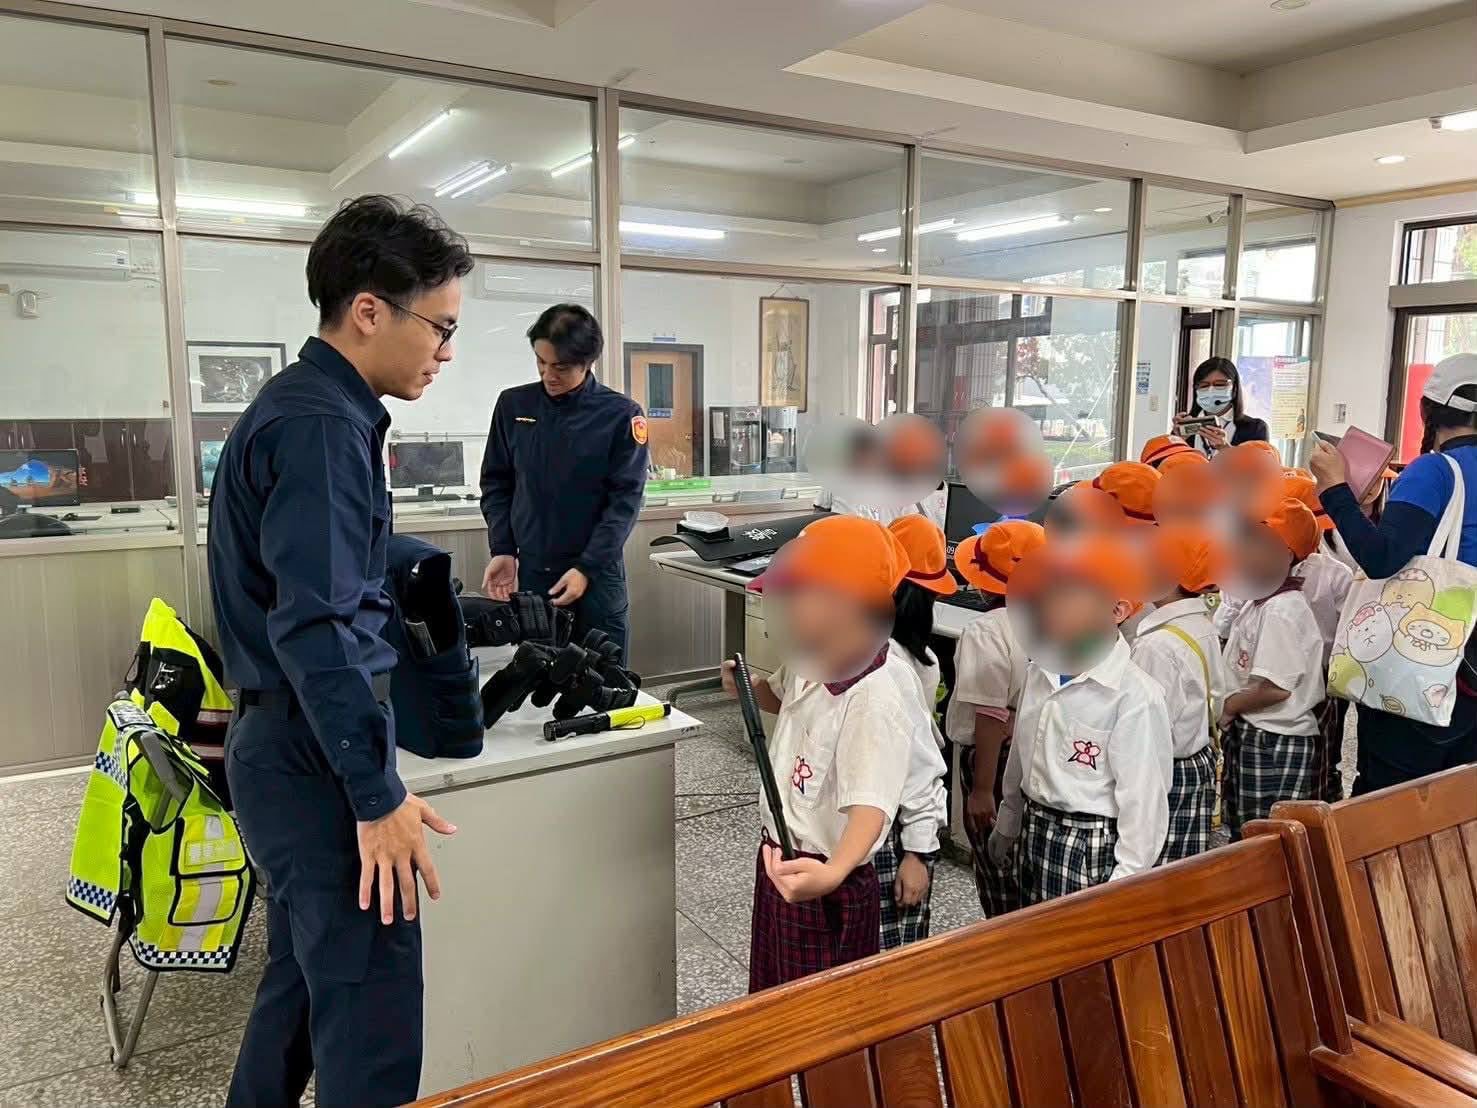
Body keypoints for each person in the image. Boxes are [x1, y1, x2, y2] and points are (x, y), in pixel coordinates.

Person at [209, 195, 471, 1107]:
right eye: (440, 327)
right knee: (369, 1019)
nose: (445, 351)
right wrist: (375, 792)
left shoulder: (316, 410)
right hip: (309, 754)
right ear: (368, 310)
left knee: (301, 988)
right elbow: (316, 625)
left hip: (287, 743)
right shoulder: (320, 426)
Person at [723, 515, 925, 991]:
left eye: (800, 596)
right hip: (782, 859)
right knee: (773, 991)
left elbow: (870, 806)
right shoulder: (811, 659)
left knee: (822, 1005)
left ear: (847, 605)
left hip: (825, 877)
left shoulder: (873, 697)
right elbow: (781, 700)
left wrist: (833, 873)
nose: (788, 610)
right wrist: (750, 689)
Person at [1311, 352, 1477, 793]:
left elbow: (1384, 559)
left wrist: (1335, 490)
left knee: (1389, 797)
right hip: (1472, 672)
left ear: (1427, 410)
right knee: (1460, 800)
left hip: (1427, 666)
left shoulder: (1436, 471)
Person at [987, 535, 1173, 904]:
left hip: (1089, 846)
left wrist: (1124, 887)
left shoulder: (1135, 697)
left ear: (1117, 611)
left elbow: (1144, 807)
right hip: (1034, 829)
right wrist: (1008, 820)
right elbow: (1021, 754)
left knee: (1079, 940)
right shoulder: (1040, 669)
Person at [479, 304, 647, 660]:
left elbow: (625, 502)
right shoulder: (514, 405)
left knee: (606, 677)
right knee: (539, 672)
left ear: (588, 363)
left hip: (597, 575)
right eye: (541, 362)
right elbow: (497, 483)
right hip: (535, 571)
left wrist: (587, 568)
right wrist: (503, 549)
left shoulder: (620, 415)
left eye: (561, 367)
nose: (548, 375)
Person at [946, 520, 1046, 915]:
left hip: (994, 758)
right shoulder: (1051, 616)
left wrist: (982, 789)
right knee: (1024, 857)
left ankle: (1003, 931)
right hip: (1035, 749)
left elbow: (989, 713)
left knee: (995, 863)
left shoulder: (987, 630)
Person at [1219, 497, 1325, 836]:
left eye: (1259, 543)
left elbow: (1275, 688)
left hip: (1274, 739)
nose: (1245, 551)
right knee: (1245, 824)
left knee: (1266, 836)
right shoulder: (1260, 602)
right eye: (1245, 539)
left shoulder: (1281, 610)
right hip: (1257, 731)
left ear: (1287, 555)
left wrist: (1229, 706)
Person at [874, 515, 951, 949]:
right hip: (888, 821)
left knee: (892, 952)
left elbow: (919, 764)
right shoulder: (916, 658)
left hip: (899, 826)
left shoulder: (893, 665)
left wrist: (918, 852)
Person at [1131, 524, 1228, 862]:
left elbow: (1145, 729)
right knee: (1182, 867)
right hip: (1195, 762)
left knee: (1155, 866)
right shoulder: (1201, 626)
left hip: (1165, 775)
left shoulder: (1157, 646)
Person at [1177, 357, 1270, 457]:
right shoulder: (1186, 426)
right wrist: (1177, 441)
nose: (1211, 390)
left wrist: (1225, 449)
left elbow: (1260, 465)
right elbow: (1167, 464)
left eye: (1220, 384)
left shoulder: (1255, 428)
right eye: (1204, 385)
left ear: (1234, 389)